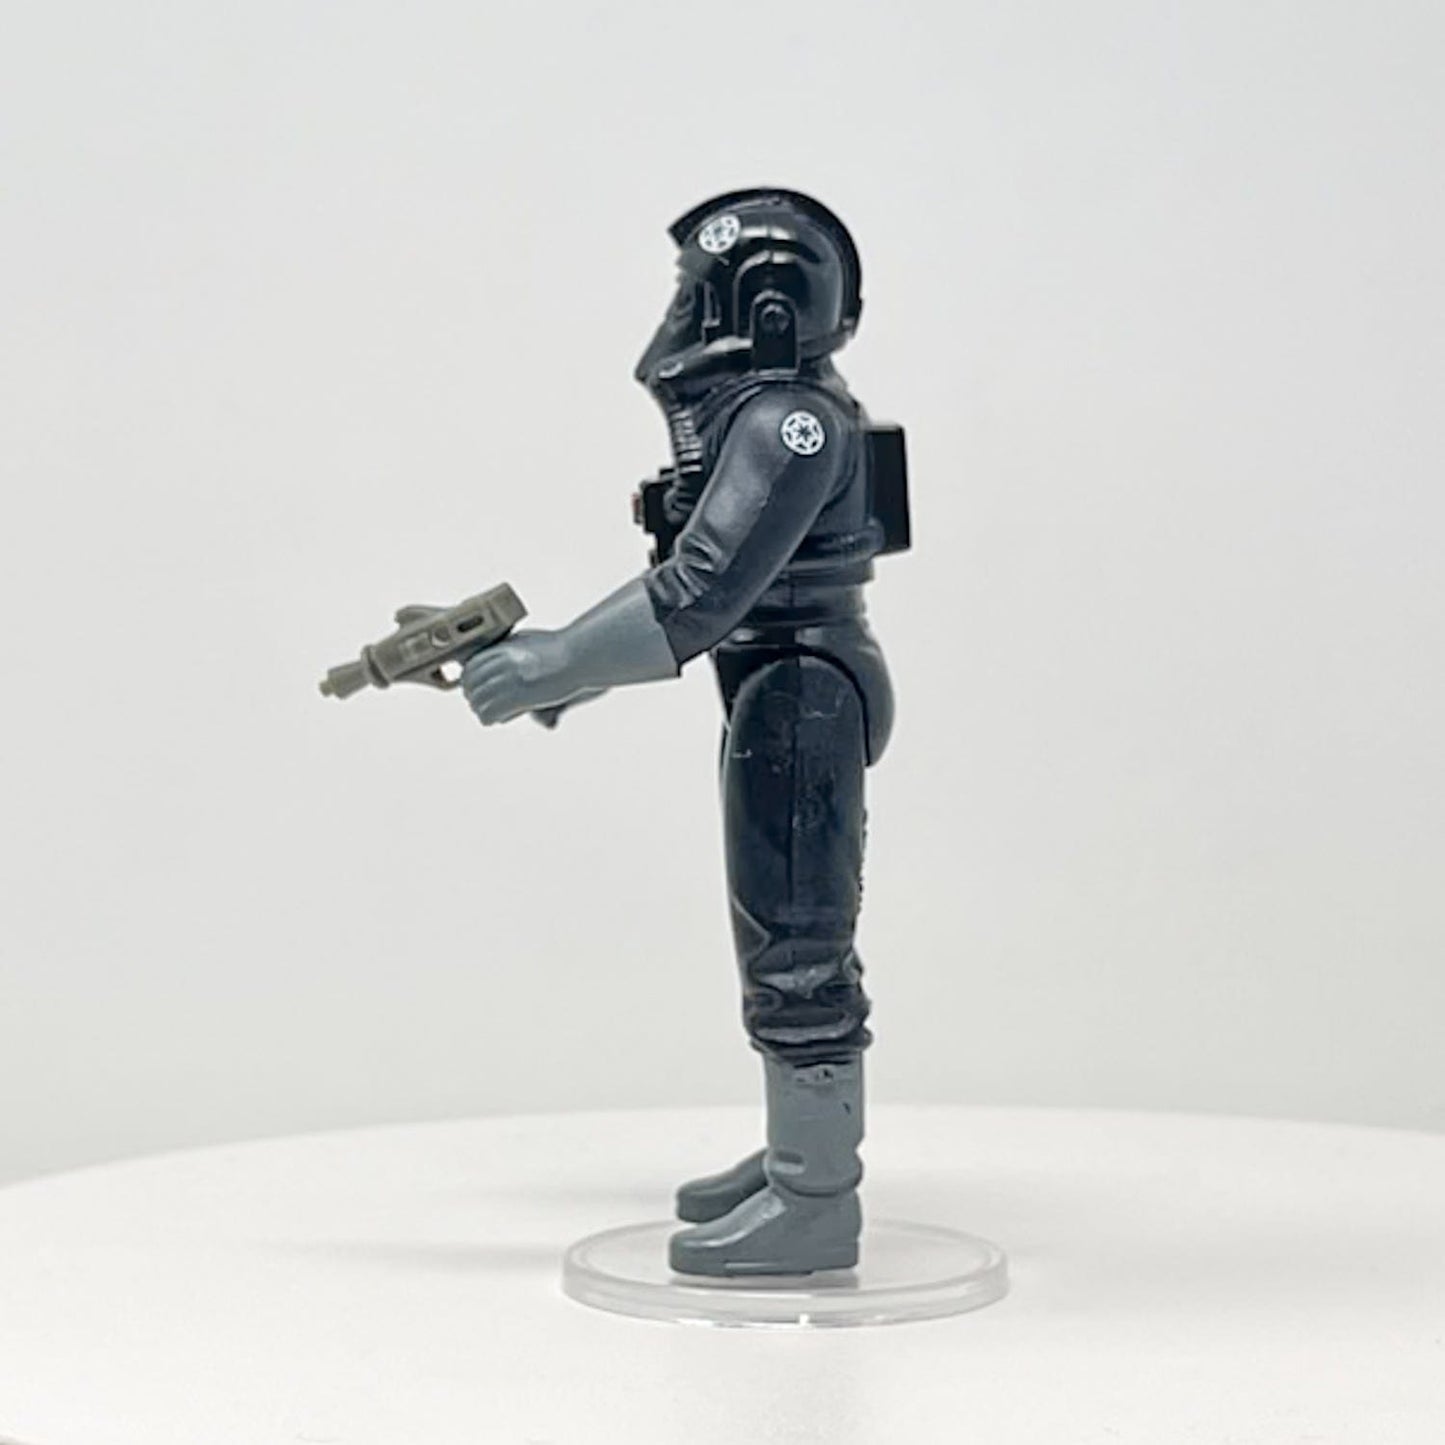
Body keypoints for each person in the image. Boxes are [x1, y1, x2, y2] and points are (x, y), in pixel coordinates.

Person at [460, 188, 905, 1277]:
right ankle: (794, 1151)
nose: (675, 321)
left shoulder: (788, 423)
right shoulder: (779, 412)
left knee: (793, 940)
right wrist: (574, 673)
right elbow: (702, 593)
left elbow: (699, 588)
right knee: (775, 921)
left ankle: (816, 1195)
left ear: (760, 307)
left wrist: (562, 659)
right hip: (778, 680)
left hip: (800, 692)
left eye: (693, 294)